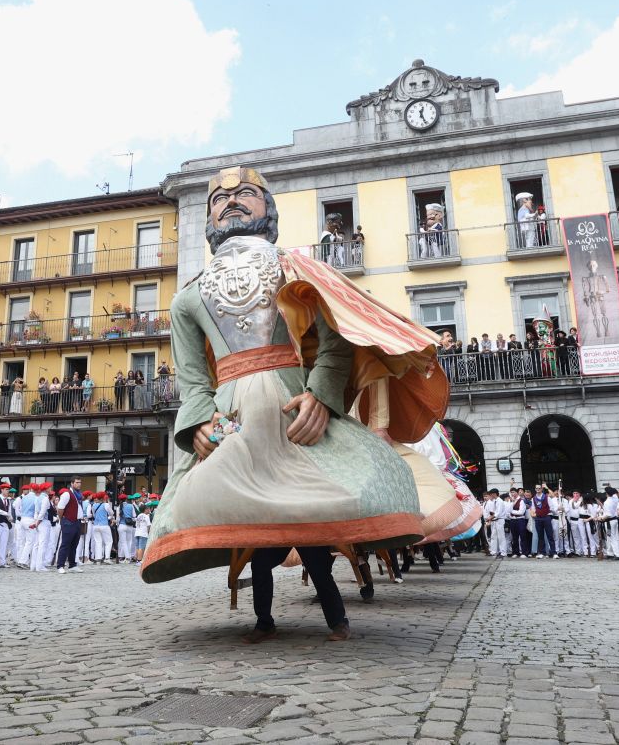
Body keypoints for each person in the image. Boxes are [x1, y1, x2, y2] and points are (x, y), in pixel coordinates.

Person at [141, 166, 435, 645]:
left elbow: (336, 338)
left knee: (315, 529)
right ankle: (263, 620)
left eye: (246, 194)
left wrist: (321, 394)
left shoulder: (298, 270)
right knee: (256, 539)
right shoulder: (187, 297)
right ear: (208, 216)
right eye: (219, 198)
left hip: (292, 406)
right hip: (233, 417)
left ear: (268, 208)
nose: (230, 202)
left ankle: (337, 618)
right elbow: (192, 376)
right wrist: (196, 420)